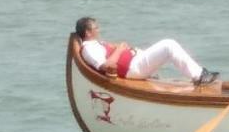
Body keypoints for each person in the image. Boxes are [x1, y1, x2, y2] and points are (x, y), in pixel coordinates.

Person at [74, 17, 218, 85]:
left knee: (166, 48)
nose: (99, 30)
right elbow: (107, 66)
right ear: (87, 32)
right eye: (96, 28)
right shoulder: (89, 49)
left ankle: (198, 73)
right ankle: (199, 76)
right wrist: (119, 49)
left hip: (136, 61)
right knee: (169, 44)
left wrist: (120, 47)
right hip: (134, 68)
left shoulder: (95, 44)